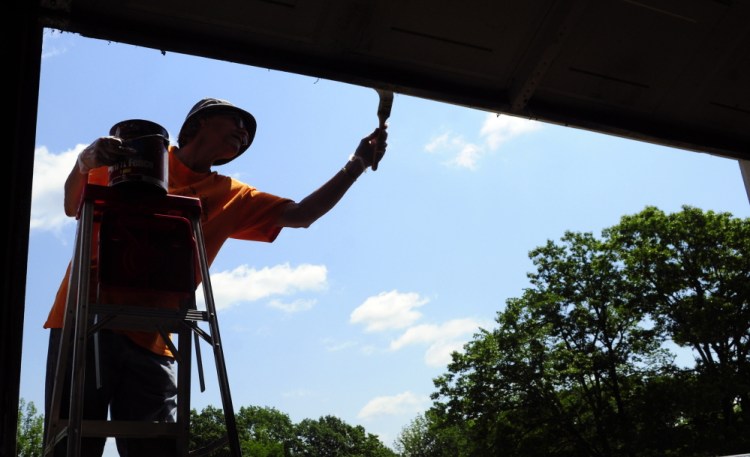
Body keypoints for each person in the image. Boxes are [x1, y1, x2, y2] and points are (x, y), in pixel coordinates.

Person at [43, 97, 388, 456]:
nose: (244, 132)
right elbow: (72, 206)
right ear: (199, 122)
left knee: (158, 450)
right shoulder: (132, 156)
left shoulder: (231, 195)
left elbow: (302, 214)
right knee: (70, 445)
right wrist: (84, 162)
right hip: (83, 319)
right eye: (235, 121)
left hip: (155, 334)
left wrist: (357, 164)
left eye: (248, 132)